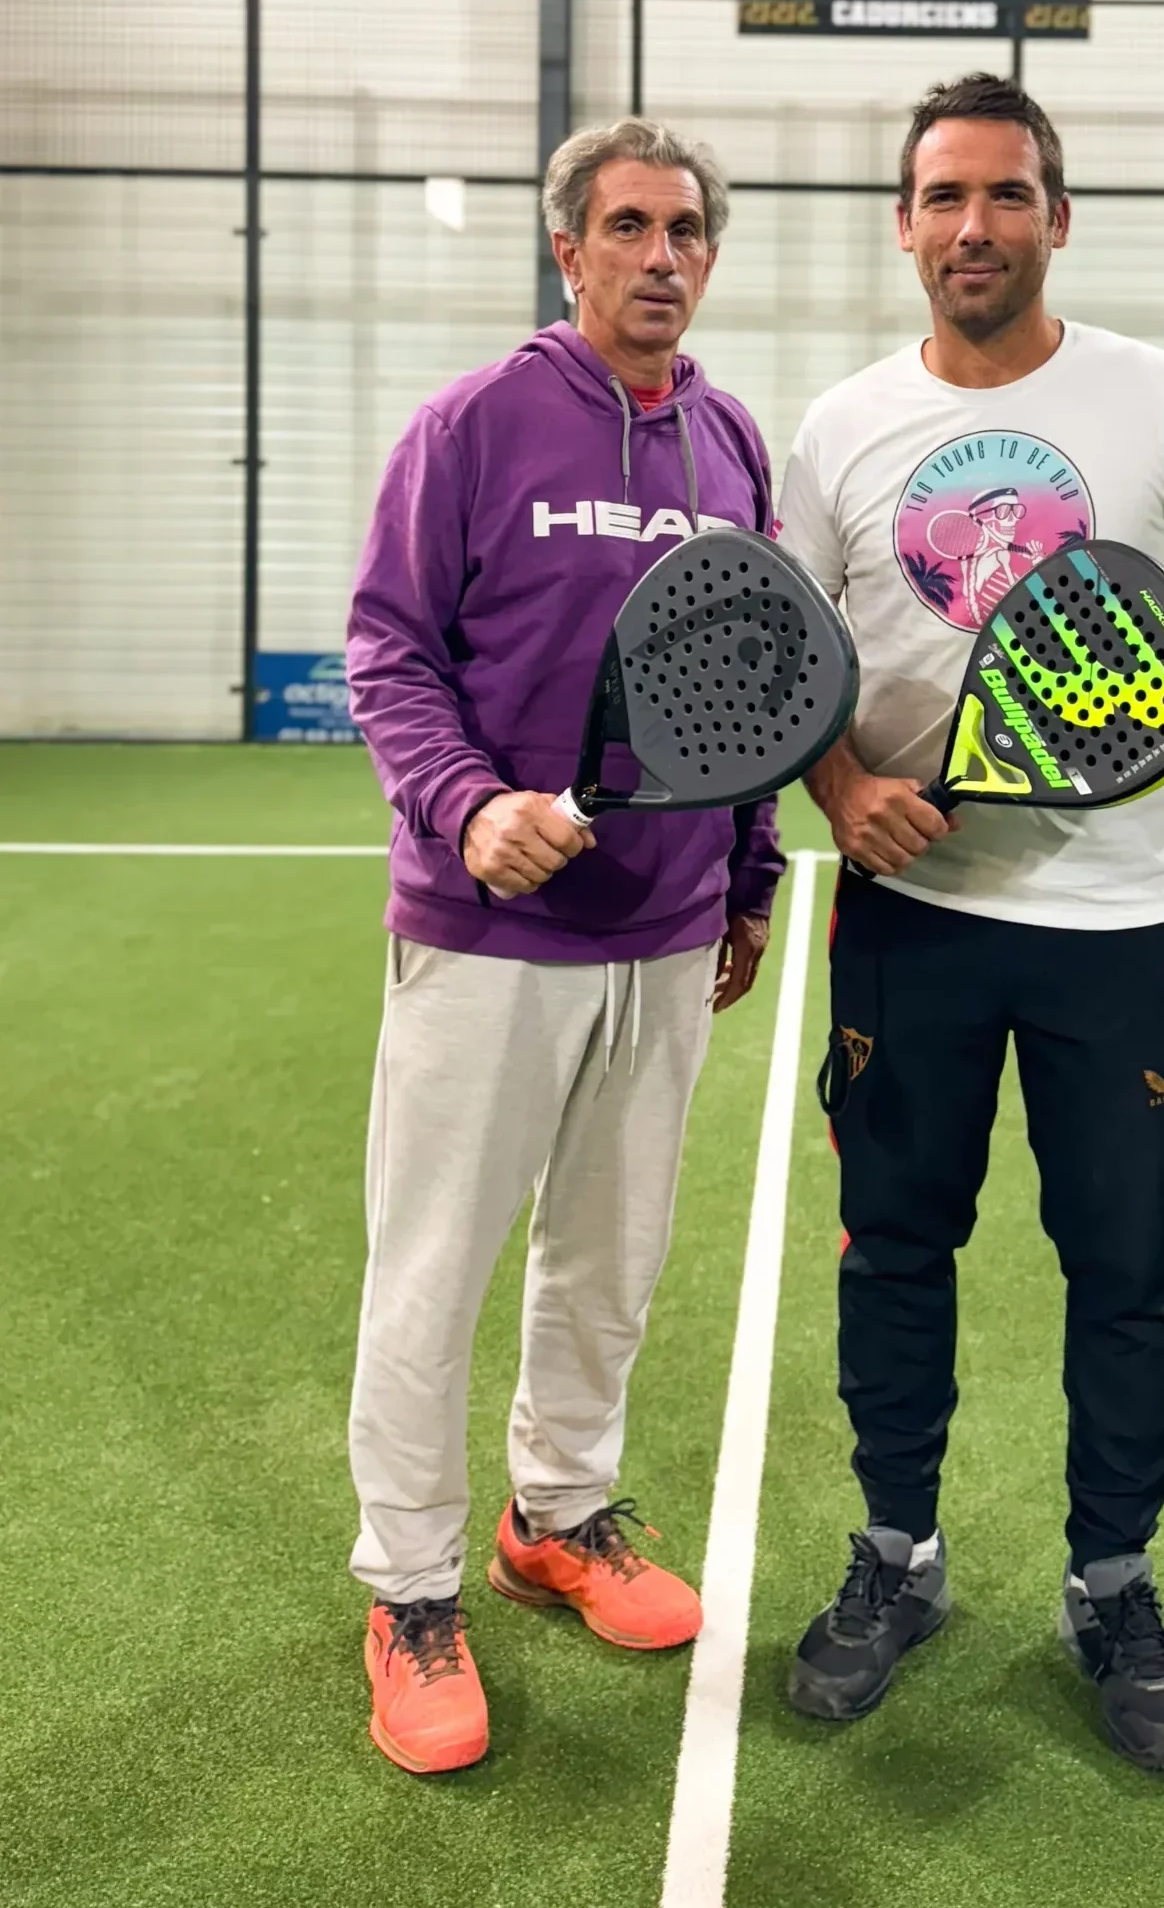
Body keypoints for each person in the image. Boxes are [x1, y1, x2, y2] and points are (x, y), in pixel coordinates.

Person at [777, 72, 1164, 1773]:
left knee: (1128, 1270)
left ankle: (1111, 1582)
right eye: (942, 197)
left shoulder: (1153, 395)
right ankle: (898, 1558)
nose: (972, 226)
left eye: (1005, 195)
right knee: (895, 1249)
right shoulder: (841, 425)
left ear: (1054, 218)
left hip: (1111, 921)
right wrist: (844, 794)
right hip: (909, 922)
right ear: (904, 222)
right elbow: (798, 666)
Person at [344, 117, 784, 1776]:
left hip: (664, 941)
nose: (659, 254)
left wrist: (742, 870)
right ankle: (408, 1589)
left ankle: (561, 1515)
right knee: (433, 1272)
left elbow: (750, 674)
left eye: (684, 230)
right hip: (486, 932)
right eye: (626, 226)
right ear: (569, 249)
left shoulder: (733, 443)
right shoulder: (473, 423)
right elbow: (389, 649)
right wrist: (466, 810)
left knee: (607, 1263)